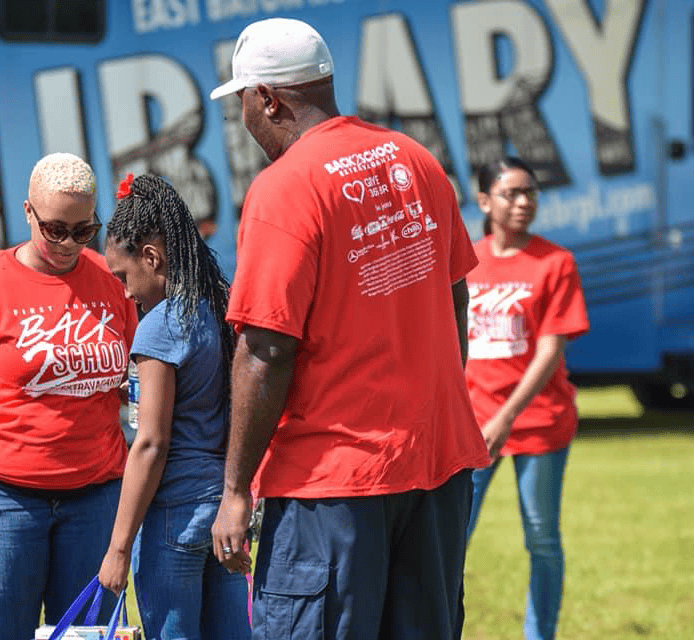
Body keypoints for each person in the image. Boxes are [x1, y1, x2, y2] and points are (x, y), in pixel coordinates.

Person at [208, 17, 491, 639]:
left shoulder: (284, 189)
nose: (245, 123)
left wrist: (234, 491)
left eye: (243, 106)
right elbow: (456, 293)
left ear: (268, 98)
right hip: (436, 469)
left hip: (331, 488)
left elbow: (264, 348)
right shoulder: (415, 161)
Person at [0, 152, 139, 640]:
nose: (68, 244)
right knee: (1, 632)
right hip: (0, 500)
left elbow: (136, 381)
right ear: (28, 213)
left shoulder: (113, 283)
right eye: (55, 228)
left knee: (85, 634)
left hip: (96, 497)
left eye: (83, 231)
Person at [98, 174, 250, 640]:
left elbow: (150, 442)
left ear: (152, 256)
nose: (124, 292)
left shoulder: (159, 327)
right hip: (221, 513)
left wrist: (119, 547)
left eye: (123, 276)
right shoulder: (220, 307)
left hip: (173, 520)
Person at [464, 157, 590, 640]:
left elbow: (551, 348)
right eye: (511, 193)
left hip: (538, 423)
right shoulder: (467, 261)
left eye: (531, 192)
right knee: (453, 542)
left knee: (541, 539)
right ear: (483, 202)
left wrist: (506, 417)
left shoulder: (556, 262)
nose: (523, 202)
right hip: (473, 428)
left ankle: (541, 635)